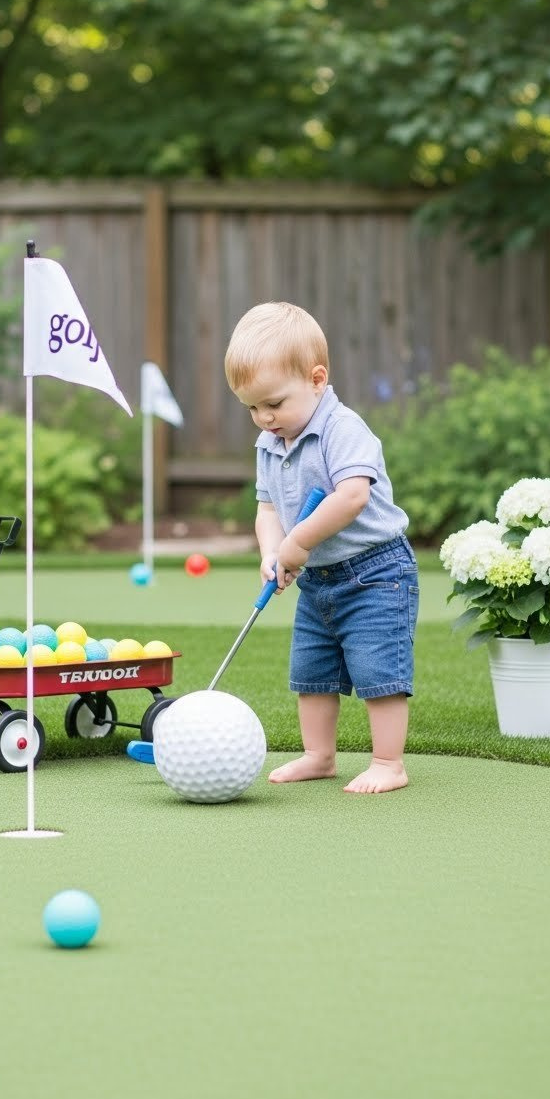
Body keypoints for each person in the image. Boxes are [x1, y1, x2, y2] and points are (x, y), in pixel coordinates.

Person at [224, 301, 419, 794]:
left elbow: (351, 496)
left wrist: (298, 542)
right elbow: (267, 509)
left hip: (376, 571)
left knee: (380, 670)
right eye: (251, 408)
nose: (264, 417)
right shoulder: (271, 443)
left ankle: (388, 762)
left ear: (316, 379)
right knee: (312, 671)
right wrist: (273, 552)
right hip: (318, 577)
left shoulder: (342, 428)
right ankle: (319, 755)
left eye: (273, 403)